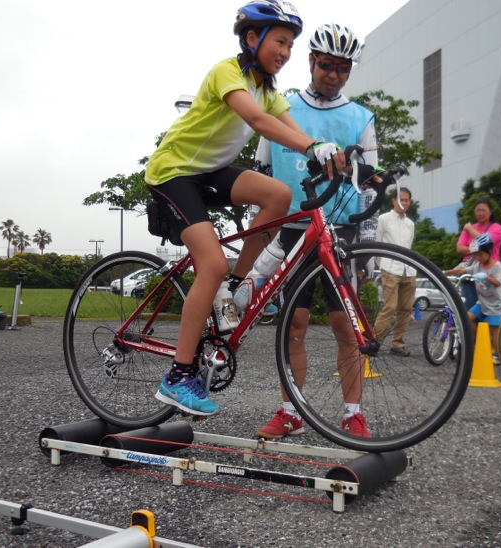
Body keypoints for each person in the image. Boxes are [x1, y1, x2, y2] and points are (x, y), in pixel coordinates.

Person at [144, 1, 348, 416]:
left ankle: (237, 287)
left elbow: (292, 128)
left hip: (209, 172)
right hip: (173, 173)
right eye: (280, 41)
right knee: (211, 263)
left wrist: (325, 151)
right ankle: (177, 376)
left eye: (290, 45)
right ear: (252, 39)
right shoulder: (228, 72)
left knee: (278, 195)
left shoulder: (268, 90)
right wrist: (311, 147)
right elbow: (256, 121)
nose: (286, 52)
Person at [252, 23, 380, 439]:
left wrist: (370, 246)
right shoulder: (282, 108)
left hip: (340, 234)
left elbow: (369, 182)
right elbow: (262, 173)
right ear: (311, 60)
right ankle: (291, 410)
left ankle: (352, 414)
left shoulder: (361, 117)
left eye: (344, 69)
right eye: (327, 65)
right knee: (295, 324)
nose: (334, 75)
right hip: (292, 228)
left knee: (348, 328)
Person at [445, 234, 501, 362]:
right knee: (466, 320)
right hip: (481, 303)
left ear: (488, 252)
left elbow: (498, 283)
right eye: (476, 255)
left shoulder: (496, 266)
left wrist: (486, 277)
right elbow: (462, 270)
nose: (478, 257)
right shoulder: (477, 266)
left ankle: (497, 355)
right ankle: (482, 343)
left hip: (494, 304)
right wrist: (444, 272)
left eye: (480, 254)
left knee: (494, 331)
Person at [374, 187, 416, 357]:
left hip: (408, 269)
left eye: (407, 200)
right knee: (389, 307)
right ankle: (374, 342)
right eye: (401, 200)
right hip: (390, 267)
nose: (404, 203)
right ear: (393, 201)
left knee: (406, 308)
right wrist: (381, 265)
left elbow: (409, 246)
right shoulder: (383, 219)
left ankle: (397, 344)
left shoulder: (410, 223)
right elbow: (377, 243)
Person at [455, 198, 501, 309]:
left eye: (483, 210)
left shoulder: (496, 228)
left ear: (490, 212)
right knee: (469, 310)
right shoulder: (471, 228)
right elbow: (459, 249)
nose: (480, 213)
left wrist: (469, 228)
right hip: (470, 274)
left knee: (488, 310)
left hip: (489, 274)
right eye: (478, 210)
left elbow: (484, 241)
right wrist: (478, 249)